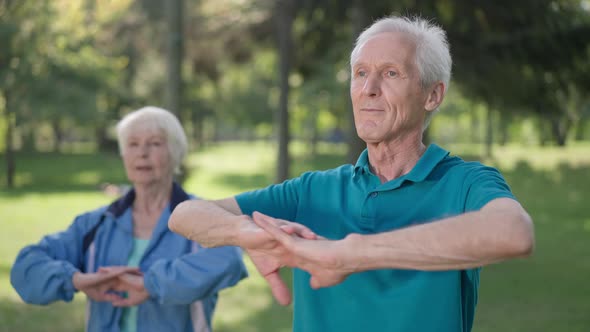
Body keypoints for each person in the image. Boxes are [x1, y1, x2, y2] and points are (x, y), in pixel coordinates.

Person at [168, 15, 535, 332]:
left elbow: (514, 233)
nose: (368, 90)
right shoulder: (313, 190)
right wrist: (249, 233)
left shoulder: (464, 183)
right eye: (360, 74)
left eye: (390, 73)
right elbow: (185, 215)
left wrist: (352, 253)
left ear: (432, 95)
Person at [11, 106, 248, 332]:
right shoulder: (96, 224)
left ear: (176, 153)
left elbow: (230, 260)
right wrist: (76, 280)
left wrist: (150, 284)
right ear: (124, 155)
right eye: (133, 144)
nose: (142, 153)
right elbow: (26, 268)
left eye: (154, 143)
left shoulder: (202, 217)